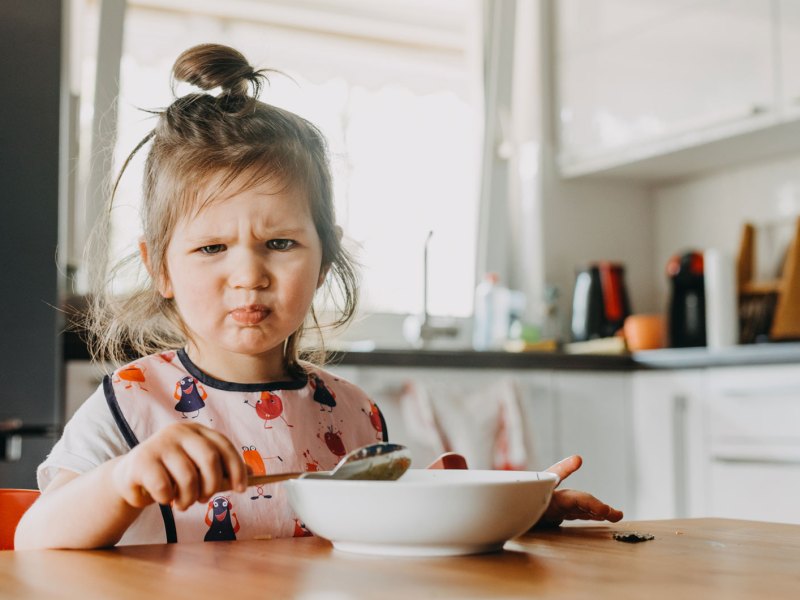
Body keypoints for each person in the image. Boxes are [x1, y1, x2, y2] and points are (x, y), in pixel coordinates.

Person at [15, 44, 621, 550]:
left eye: (279, 243)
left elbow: (377, 540)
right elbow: (36, 540)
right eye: (210, 249)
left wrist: (504, 509)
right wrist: (124, 480)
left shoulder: (353, 414)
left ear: (325, 255)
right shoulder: (131, 403)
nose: (248, 274)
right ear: (160, 268)